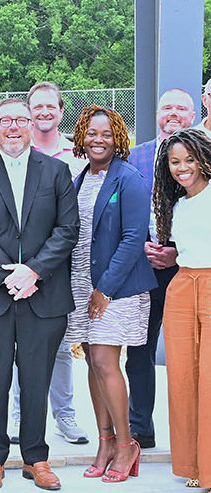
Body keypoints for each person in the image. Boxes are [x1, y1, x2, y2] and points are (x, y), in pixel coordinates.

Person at [0, 98, 79, 491]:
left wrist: (34, 272)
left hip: (43, 296)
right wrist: (8, 276)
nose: (13, 127)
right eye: (5, 120)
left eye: (21, 120)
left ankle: (35, 458)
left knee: (36, 378)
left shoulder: (58, 172)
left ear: (32, 127)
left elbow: (67, 230)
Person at [66, 105, 155, 483]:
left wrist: (105, 289)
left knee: (105, 360)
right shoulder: (80, 178)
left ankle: (125, 444)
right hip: (82, 283)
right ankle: (104, 443)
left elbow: (135, 238)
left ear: (117, 137)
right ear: (81, 138)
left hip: (117, 287)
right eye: (91, 133)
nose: (98, 139)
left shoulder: (129, 178)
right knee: (91, 359)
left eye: (105, 134)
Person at [10, 81, 88, 446]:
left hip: (60, 266)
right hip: (17, 270)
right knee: (13, 346)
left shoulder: (77, 157)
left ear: (60, 111)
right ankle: (18, 414)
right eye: (36, 107)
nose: (43, 113)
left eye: (49, 107)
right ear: (27, 114)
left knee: (58, 347)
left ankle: (65, 415)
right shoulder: (13, 156)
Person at [126, 88, 195, 450]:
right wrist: (142, 247)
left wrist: (174, 253)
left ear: (194, 114)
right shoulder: (133, 156)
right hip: (141, 265)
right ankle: (141, 428)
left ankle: (196, 432)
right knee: (139, 349)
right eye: (166, 107)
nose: (173, 113)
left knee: (193, 351)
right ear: (156, 113)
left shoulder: (205, 159)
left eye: (181, 108)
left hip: (187, 268)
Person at [152, 128, 211, 489]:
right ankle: (193, 465)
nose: (182, 167)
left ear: (204, 158)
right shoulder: (177, 204)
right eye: (175, 161)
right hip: (182, 288)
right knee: (183, 378)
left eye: (190, 159)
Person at [27, 82, 87, 178]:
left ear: (61, 112)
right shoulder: (17, 153)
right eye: (38, 107)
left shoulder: (79, 157)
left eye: (51, 107)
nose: (45, 113)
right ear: (28, 112)